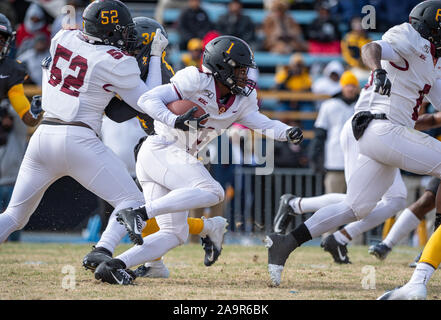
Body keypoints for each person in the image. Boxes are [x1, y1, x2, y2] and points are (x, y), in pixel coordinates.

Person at [94, 35, 304, 285]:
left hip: (175, 160)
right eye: (239, 69)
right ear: (221, 67)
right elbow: (146, 99)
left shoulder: (242, 100)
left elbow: (264, 124)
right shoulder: (195, 79)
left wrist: (286, 132)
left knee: (174, 233)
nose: (244, 76)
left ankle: (117, 265)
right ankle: (140, 213)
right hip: (160, 148)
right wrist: (174, 119)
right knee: (214, 192)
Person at [266, 0, 441, 289]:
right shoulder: (410, 36)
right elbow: (370, 48)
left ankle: (286, 243)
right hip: (381, 127)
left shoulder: (433, 61)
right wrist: (380, 70)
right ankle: (436, 240)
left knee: (357, 207)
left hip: (379, 132)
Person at [0, 0, 168, 273]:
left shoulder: (62, 36)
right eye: (122, 30)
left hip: (43, 136)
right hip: (79, 139)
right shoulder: (116, 61)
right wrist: (157, 55)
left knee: (14, 216)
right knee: (134, 202)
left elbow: (50, 67)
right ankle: (103, 250)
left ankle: (106, 250)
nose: (127, 35)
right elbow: (149, 101)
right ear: (110, 30)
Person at [84, 16, 229, 278]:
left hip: (174, 145)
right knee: (163, 221)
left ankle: (106, 250)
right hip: (157, 143)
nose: (126, 45)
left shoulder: (160, 70)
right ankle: (163, 259)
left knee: (141, 208)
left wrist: (152, 57)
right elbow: (116, 113)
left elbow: (143, 99)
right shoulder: (139, 68)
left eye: (132, 40)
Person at [341, 16, 372, 82]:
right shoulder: (348, 38)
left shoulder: (368, 39)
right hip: (355, 67)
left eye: (360, 24)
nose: (359, 26)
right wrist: (358, 64)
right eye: (356, 24)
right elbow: (347, 56)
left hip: (368, 68)